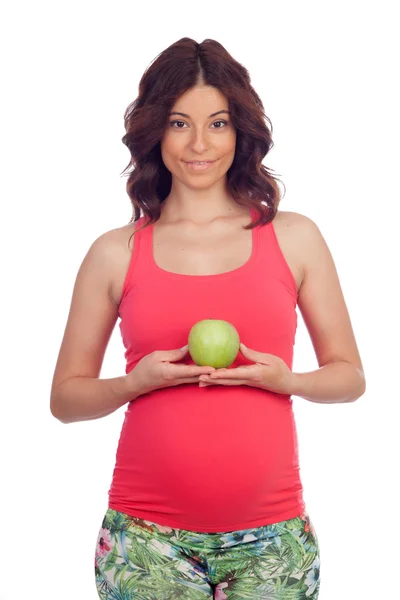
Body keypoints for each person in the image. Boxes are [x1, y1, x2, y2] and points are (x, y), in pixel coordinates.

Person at [50, 37, 366, 600]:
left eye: (217, 123)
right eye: (179, 123)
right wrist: (135, 382)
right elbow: (65, 400)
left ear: (241, 131)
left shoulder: (294, 238)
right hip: (146, 543)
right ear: (155, 132)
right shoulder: (114, 252)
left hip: (273, 542)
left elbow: (349, 377)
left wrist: (284, 379)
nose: (200, 143)